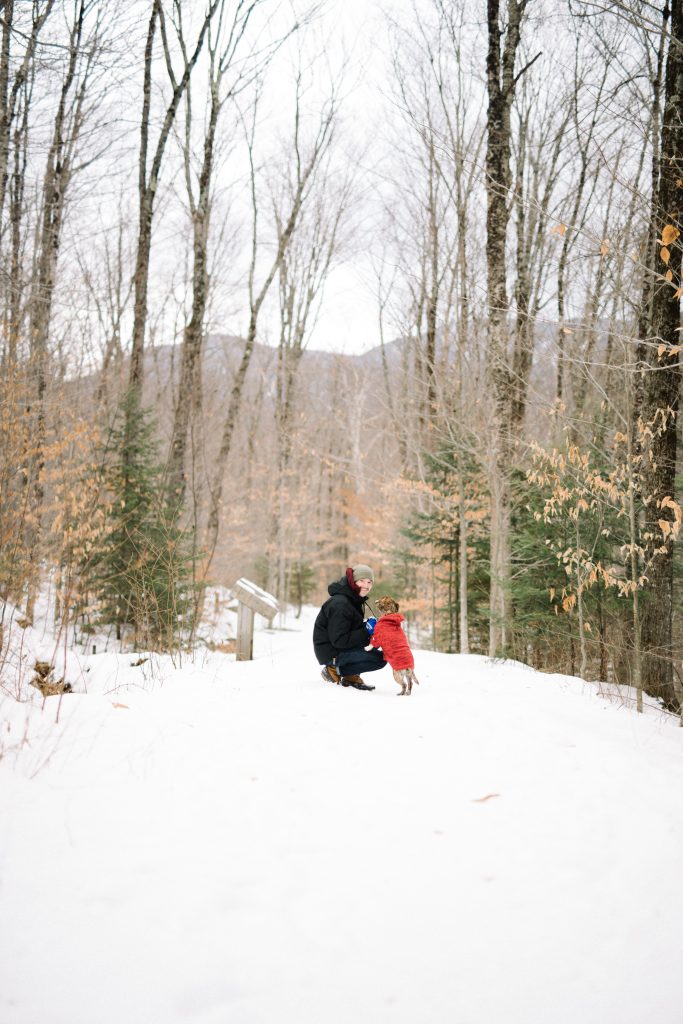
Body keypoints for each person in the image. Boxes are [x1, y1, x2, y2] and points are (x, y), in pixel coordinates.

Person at [313, 564, 385, 691]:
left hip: (339, 647)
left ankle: (348, 674)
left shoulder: (353, 600)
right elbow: (340, 640)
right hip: (331, 652)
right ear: (353, 581)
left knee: (378, 649)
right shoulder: (340, 603)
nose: (366, 585)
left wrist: (369, 627)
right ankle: (334, 669)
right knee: (380, 658)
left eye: (369, 582)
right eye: (361, 581)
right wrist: (366, 630)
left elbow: (350, 629)